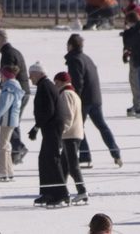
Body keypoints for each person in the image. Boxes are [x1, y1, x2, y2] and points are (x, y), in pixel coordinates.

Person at [65, 33, 122, 168]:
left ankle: (85, 156)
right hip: (95, 97)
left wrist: (74, 99)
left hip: (84, 99)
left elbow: (78, 82)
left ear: (70, 46)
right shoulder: (86, 58)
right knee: (102, 126)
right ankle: (116, 153)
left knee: (78, 127)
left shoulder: (75, 60)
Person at [27, 62, 69, 206]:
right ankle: (48, 192)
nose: (29, 77)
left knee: (52, 159)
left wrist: (37, 126)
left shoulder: (45, 86)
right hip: (50, 127)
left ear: (39, 73)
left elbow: (48, 110)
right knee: (45, 159)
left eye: (31, 74)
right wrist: (37, 126)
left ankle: (62, 193)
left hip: (53, 128)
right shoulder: (45, 85)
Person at [0, 30, 30, 164]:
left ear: (2, 39)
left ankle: (18, 148)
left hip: (17, 91)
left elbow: (9, 72)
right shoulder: (13, 51)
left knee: (10, 121)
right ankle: (17, 150)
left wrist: (4, 84)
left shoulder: (7, 53)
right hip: (23, 89)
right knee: (14, 120)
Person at [0, 65, 25, 182]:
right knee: (6, 144)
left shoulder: (9, 87)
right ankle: (8, 170)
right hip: (11, 119)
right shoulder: (14, 85)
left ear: (5, 76)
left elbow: (3, 107)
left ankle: (2, 171)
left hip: (8, 120)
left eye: (1, 75)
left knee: (2, 144)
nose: (0, 77)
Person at [55, 71, 88, 204]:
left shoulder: (66, 94)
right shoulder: (73, 93)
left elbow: (67, 116)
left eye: (56, 82)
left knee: (73, 165)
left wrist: (61, 131)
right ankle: (61, 191)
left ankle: (82, 191)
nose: (55, 85)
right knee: (64, 164)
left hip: (70, 134)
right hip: (74, 133)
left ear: (62, 82)